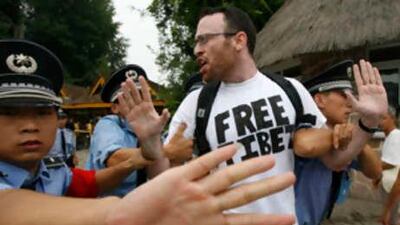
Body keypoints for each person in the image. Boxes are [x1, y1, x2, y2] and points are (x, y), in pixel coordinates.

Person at [0, 39, 297, 225]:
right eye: (9, 114)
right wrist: (122, 214)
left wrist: (150, 146)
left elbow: (91, 183)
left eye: (42, 112)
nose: (30, 125)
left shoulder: (52, 171)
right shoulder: (106, 126)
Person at [165, 6, 387, 222]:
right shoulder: (195, 105)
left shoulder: (290, 89)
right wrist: (157, 151)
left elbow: (334, 161)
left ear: (239, 40)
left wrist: (368, 122)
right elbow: (164, 180)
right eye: (196, 42)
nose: (197, 50)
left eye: (204, 39)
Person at [295, 60, 383, 225]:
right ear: (319, 100)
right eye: (344, 95)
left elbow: (375, 171)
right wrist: (338, 135)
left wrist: (359, 135)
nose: (351, 102)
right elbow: (305, 145)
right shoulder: (302, 128)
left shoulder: (345, 132)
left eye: (352, 95)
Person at [85, 64, 169, 197]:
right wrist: (161, 152)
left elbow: (158, 174)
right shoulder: (108, 123)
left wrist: (153, 139)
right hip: (105, 208)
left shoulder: (152, 126)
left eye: (140, 95)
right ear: (114, 108)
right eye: (127, 97)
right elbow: (115, 159)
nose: (136, 101)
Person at [379, 106, 400, 225]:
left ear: (392, 119)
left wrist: (375, 169)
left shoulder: (396, 136)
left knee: (391, 220)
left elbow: (391, 163)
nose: (379, 122)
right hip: (389, 187)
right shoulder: (390, 136)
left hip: (394, 189)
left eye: (383, 118)